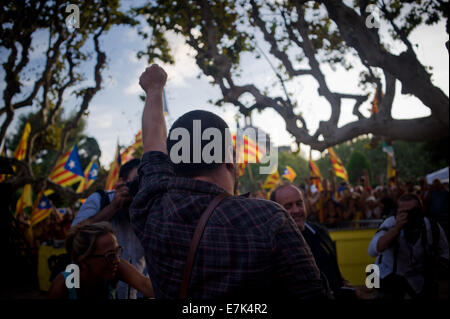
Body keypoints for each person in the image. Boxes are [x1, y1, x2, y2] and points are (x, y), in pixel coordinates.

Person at [129, 64, 328, 299]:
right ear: (229, 161)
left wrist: (154, 89)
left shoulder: (153, 207)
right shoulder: (268, 218)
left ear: (174, 162)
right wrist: (155, 87)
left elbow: (153, 143)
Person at [71, 159, 147, 299]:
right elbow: (74, 237)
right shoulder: (100, 200)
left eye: (147, 181)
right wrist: (113, 207)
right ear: (122, 182)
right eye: (138, 180)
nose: (142, 186)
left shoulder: (150, 211)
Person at [270, 183, 355, 299]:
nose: (296, 210)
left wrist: (346, 286)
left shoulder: (320, 232)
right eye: (288, 206)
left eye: (299, 203)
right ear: (276, 210)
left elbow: (332, 269)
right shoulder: (272, 244)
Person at [368, 193, 449, 299]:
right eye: (404, 212)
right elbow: (372, 251)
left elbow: (446, 253)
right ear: (397, 212)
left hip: (417, 278)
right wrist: (396, 229)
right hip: (386, 276)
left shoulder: (432, 227)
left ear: (421, 210)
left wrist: (435, 269)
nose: (409, 216)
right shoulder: (391, 223)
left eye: (413, 212)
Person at [48, 222, 154, 299]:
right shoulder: (63, 286)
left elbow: (146, 286)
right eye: (110, 255)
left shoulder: (114, 266)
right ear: (83, 261)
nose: (117, 260)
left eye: (117, 251)